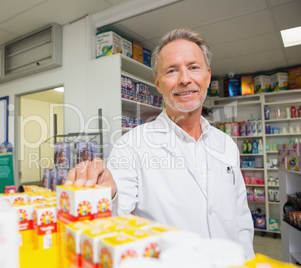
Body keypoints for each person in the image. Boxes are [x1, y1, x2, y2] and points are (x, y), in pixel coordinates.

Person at [65, 28, 254, 258]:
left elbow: (242, 221)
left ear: (207, 75)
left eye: (194, 67)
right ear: (158, 83)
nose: (185, 79)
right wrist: (108, 194)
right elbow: (117, 215)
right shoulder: (132, 145)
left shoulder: (226, 145)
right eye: (172, 71)